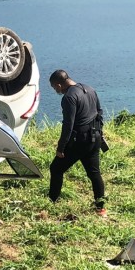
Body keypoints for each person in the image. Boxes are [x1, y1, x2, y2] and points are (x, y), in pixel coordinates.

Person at [48, 69, 107, 217]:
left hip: (79, 141)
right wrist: (101, 134)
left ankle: (52, 201)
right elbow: (99, 113)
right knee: (94, 173)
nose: (56, 90)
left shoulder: (69, 97)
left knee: (56, 168)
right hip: (95, 137)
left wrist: (61, 147)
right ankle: (101, 209)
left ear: (59, 84)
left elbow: (68, 124)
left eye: (55, 87)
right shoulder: (90, 89)